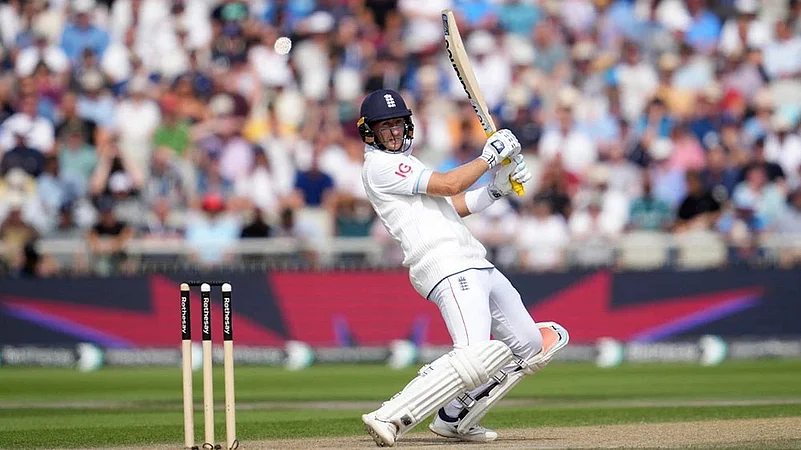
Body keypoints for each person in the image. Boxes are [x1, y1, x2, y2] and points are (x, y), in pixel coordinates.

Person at [356, 89, 569, 447]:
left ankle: (455, 416)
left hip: (472, 259)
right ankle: (389, 415)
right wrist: (489, 157)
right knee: (474, 355)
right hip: (444, 264)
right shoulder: (381, 166)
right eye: (384, 127)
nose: (393, 132)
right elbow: (449, 184)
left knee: (531, 345)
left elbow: (450, 205)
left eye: (397, 124)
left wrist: (496, 189)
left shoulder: (406, 164)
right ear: (370, 132)